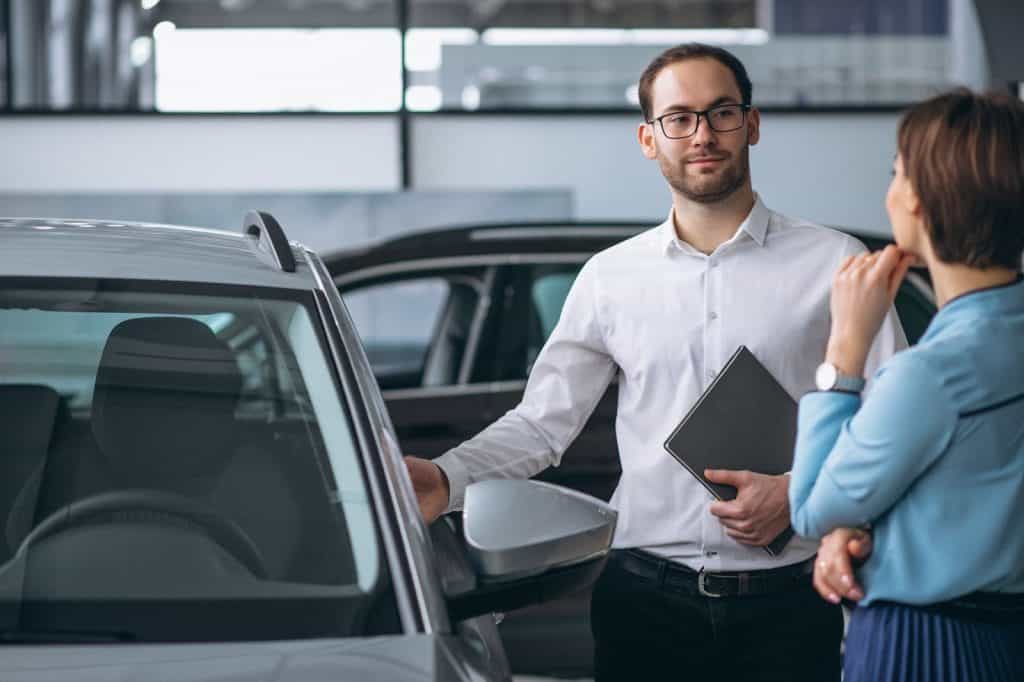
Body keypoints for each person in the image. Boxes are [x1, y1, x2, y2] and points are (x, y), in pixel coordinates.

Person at [407, 43, 905, 681]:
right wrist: (447, 478)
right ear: (649, 138)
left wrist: (800, 493)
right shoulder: (610, 278)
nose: (702, 134)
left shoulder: (833, 261)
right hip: (644, 604)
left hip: (790, 602)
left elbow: (890, 421)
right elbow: (541, 424)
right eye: (679, 118)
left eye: (721, 113)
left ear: (752, 124)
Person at [789, 88, 1024, 682]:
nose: (890, 188)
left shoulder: (931, 372)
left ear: (922, 200)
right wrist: (866, 526)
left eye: (896, 172)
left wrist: (845, 349)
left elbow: (813, 506)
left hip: (924, 643)